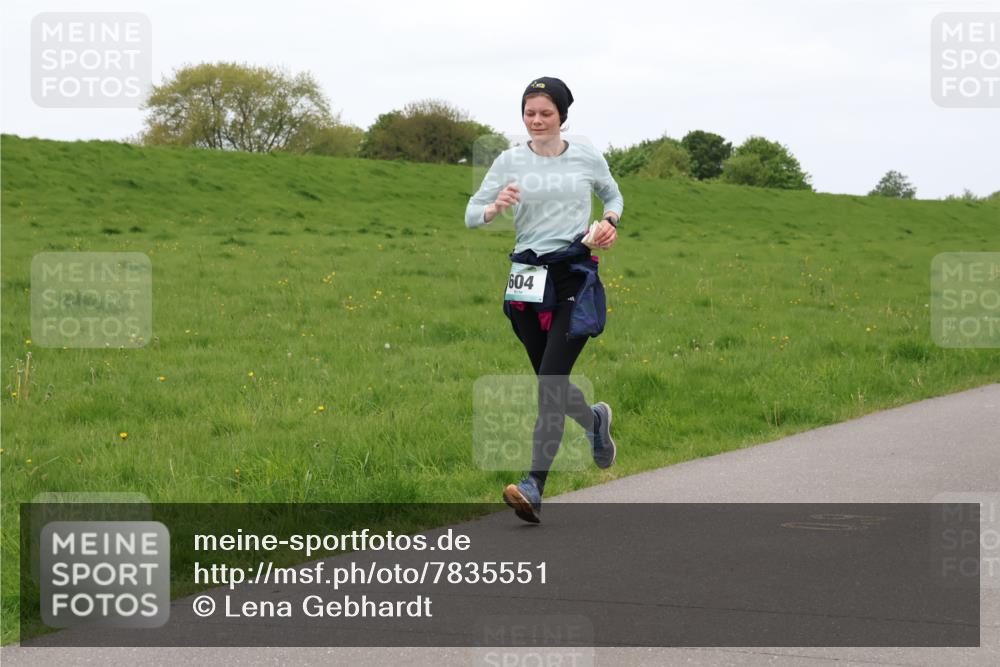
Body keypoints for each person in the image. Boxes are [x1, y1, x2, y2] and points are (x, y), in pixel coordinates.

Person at [464, 76, 624, 524]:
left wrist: (609, 220)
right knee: (548, 383)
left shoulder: (586, 154)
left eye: (545, 113)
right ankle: (594, 422)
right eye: (529, 113)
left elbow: (612, 193)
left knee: (551, 383)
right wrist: (495, 208)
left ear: (562, 116)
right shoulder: (509, 160)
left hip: (572, 276)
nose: (536, 121)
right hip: (526, 280)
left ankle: (533, 485)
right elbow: (472, 214)